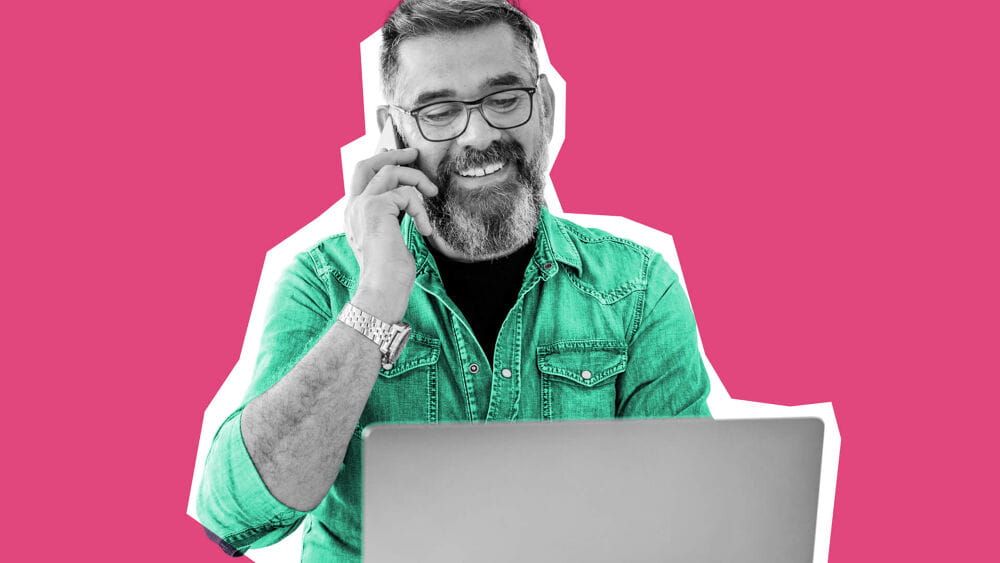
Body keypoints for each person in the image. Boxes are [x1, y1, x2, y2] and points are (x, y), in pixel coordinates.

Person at [197, 0, 711, 560]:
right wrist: (376, 299)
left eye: (505, 98)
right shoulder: (323, 285)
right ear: (392, 131)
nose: (478, 134)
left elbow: (685, 526)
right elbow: (237, 520)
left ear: (547, 110)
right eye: (439, 110)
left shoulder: (637, 290)